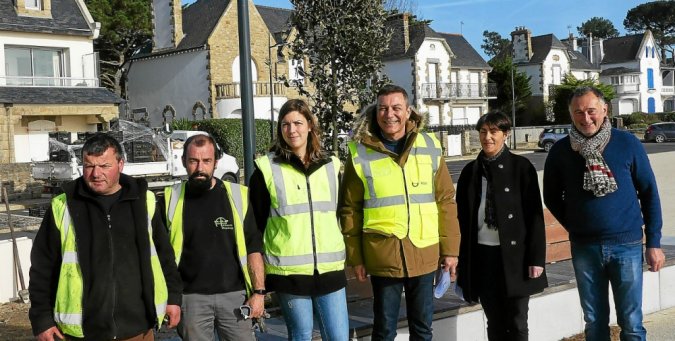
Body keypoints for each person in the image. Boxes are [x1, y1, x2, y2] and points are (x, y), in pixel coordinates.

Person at [29, 133, 182, 341]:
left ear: (121, 164)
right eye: (89, 166)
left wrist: (173, 298)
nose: (96, 174)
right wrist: (42, 320)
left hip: (138, 328)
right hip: (83, 332)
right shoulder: (63, 206)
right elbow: (42, 268)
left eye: (104, 166)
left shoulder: (144, 201)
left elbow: (164, 256)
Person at [339, 84, 461, 340]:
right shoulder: (359, 152)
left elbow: (446, 201)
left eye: (396, 108)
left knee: (422, 329)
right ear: (375, 112)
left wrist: (450, 251)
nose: (389, 114)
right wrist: (356, 257)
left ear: (408, 111)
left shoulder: (429, 145)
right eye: (383, 108)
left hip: (424, 252)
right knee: (383, 331)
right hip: (383, 256)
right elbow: (350, 209)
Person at [544, 86, 665, 340]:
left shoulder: (627, 143)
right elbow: (552, 197)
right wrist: (577, 224)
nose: (585, 118)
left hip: (627, 246)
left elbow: (649, 193)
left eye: (591, 111)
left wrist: (653, 242)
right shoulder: (561, 151)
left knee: (631, 323)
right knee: (594, 323)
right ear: (570, 114)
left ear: (604, 110)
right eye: (578, 112)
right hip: (585, 248)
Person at [249, 99, 349, 340]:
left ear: (310, 126)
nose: (291, 130)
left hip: (330, 270)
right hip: (289, 274)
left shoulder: (332, 165)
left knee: (338, 337)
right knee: (301, 335)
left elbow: (343, 215)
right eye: (285, 124)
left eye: (297, 123)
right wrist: (258, 284)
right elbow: (255, 228)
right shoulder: (266, 170)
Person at [160, 134, 265, 341]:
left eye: (206, 161)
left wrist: (259, 293)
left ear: (216, 162)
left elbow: (254, 247)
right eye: (193, 161)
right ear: (183, 162)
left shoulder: (238, 196)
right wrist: (171, 299)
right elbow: (162, 257)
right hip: (190, 299)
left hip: (235, 298)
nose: (200, 168)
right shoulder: (169, 199)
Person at [456, 112, 548, 341]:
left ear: (505, 134)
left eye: (494, 132)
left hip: (516, 257)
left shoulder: (521, 167)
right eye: (483, 132)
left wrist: (536, 259)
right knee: (494, 321)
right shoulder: (470, 172)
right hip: (483, 256)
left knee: (517, 321)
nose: (487, 137)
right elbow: (462, 219)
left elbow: (535, 216)